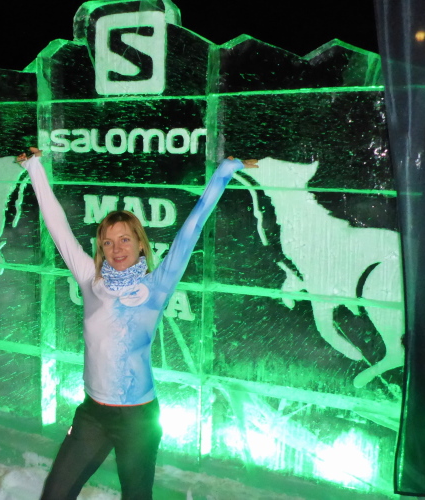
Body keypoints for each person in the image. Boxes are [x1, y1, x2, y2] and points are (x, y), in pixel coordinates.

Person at [18, 147, 256, 499]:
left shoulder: (156, 285)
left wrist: (224, 173)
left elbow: (191, 230)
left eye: (124, 239)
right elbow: (58, 227)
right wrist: (34, 167)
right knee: (54, 494)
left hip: (138, 420)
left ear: (140, 244)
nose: (116, 249)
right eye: (108, 242)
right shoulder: (91, 279)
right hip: (93, 415)